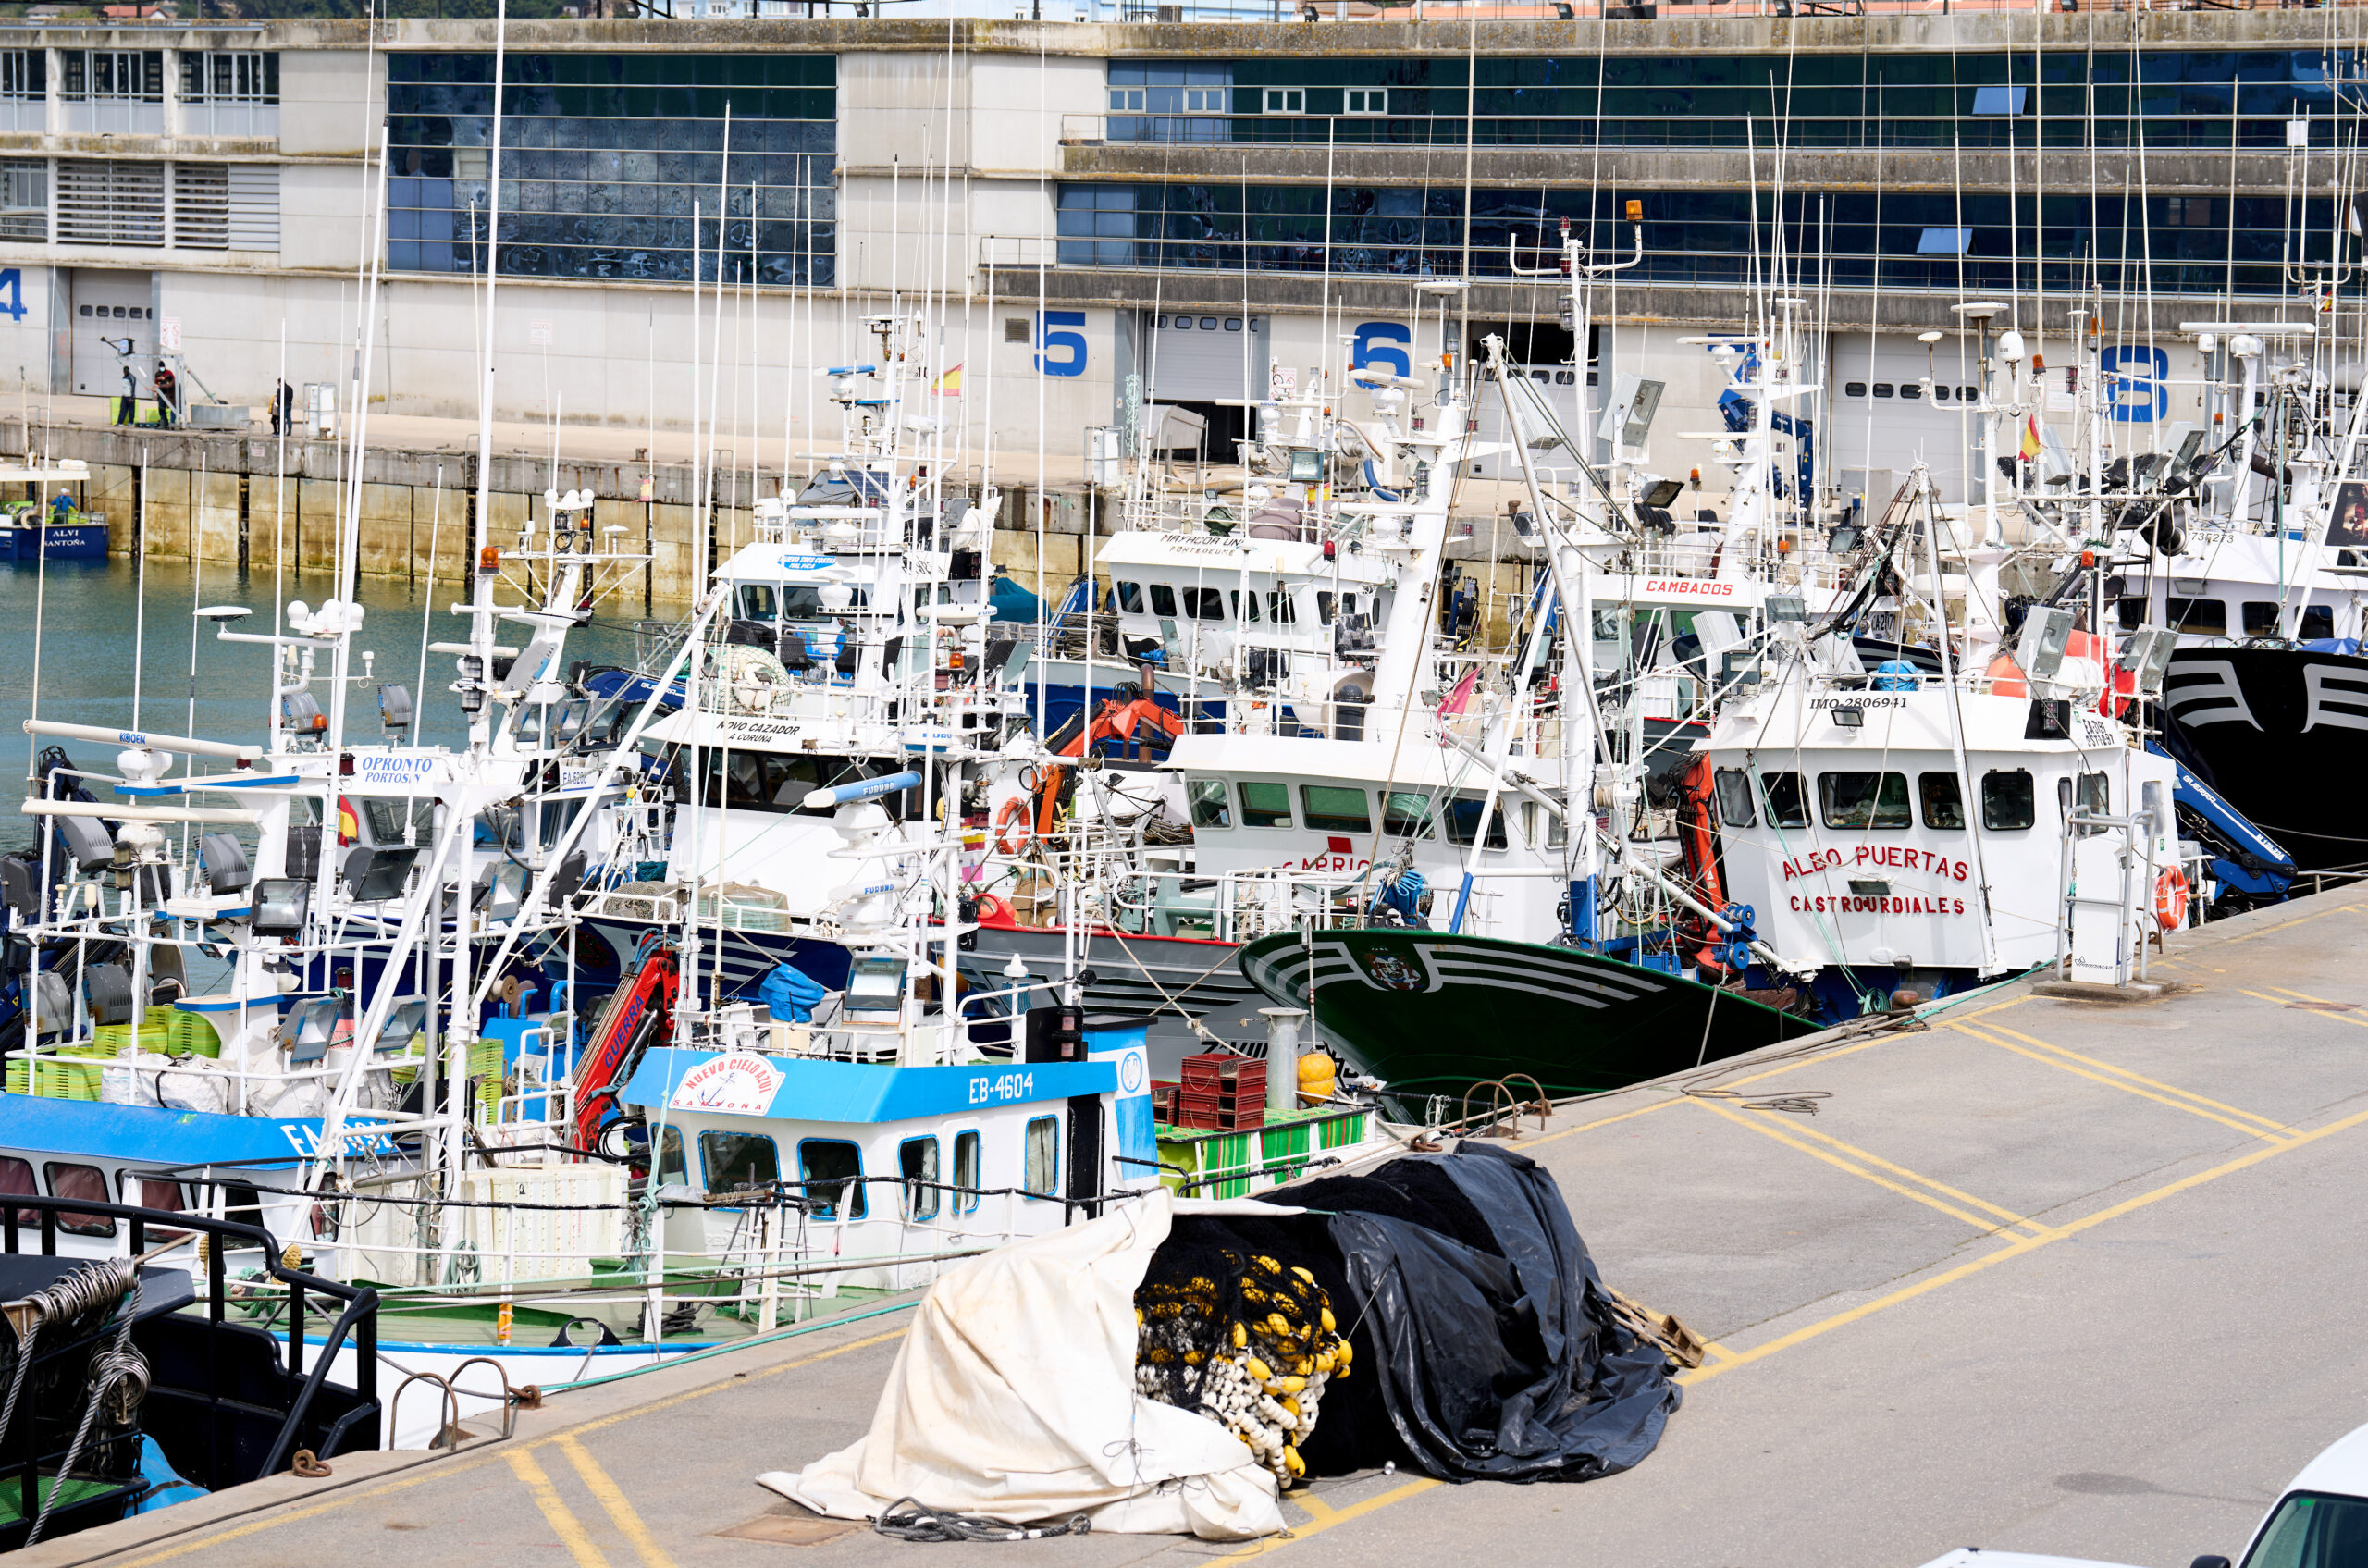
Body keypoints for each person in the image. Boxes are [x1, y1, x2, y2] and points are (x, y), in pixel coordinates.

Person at [152, 363, 177, 428]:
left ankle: (172, 422)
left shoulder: (169, 373)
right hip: (161, 394)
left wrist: (161, 384)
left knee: (173, 408)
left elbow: (171, 383)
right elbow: (156, 384)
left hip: (170, 394)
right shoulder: (157, 374)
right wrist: (156, 391)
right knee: (161, 408)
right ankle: (164, 421)